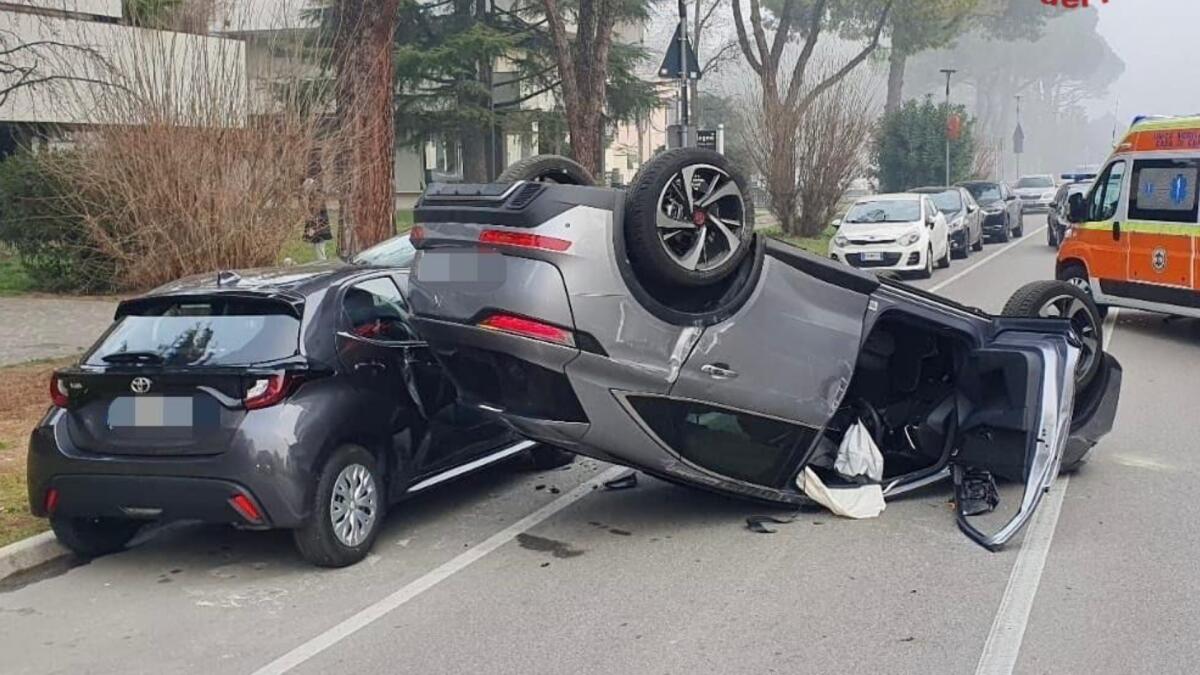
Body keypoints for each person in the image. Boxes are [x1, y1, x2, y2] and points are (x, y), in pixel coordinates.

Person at [302, 178, 332, 260]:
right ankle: (322, 263)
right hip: (318, 226)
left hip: (320, 227)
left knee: (320, 249)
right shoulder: (313, 196)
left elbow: (315, 214)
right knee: (318, 248)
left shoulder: (317, 196)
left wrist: (312, 228)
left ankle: (323, 265)